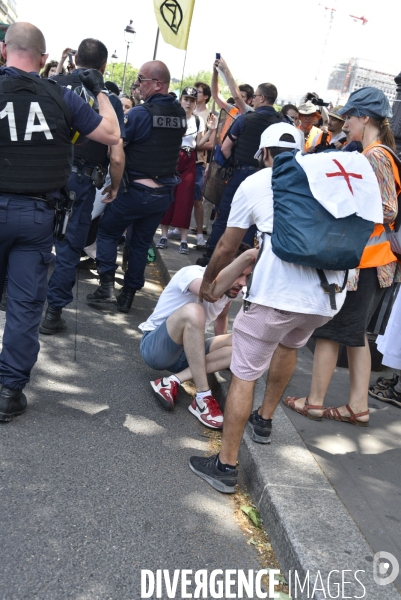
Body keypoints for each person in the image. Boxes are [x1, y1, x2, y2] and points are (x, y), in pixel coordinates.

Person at [188, 123, 349, 493]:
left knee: (245, 373)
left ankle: (226, 466)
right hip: (327, 295)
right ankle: (265, 420)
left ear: (264, 154)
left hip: (278, 294)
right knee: (290, 345)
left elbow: (228, 246)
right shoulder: (323, 177)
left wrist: (211, 282)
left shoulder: (259, 181)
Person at [0, 22, 120, 422]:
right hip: (36, 216)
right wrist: (100, 89)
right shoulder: (62, 96)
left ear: (4, 51)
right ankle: (8, 391)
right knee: (23, 306)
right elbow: (111, 134)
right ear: (45, 58)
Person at [285, 87, 399, 427]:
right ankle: (357, 406)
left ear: (365, 118)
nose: (344, 123)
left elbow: (389, 209)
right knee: (355, 335)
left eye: (349, 117)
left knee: (330, 331)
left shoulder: (375, 156)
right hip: (375, 262)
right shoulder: (380, 153)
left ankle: (315, 402)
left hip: (367, 261)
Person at [39, 38, 126, 335]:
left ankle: (9, 294)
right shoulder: (108, 100)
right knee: (68, 246)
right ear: (104, 67)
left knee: (31, 237)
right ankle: (52, 314)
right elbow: (116, 155)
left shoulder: (51, 85)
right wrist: (114, 187)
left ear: (75, 61)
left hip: (44, 172)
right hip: (82, 180)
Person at [86, 61, 187, 314]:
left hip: (134, 192)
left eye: (142, 79)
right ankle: (128, 294)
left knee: (108, 234)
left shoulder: (141, 114)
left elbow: (117, 151)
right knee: (141, 243)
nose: (137, 84)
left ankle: (106, 286)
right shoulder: (179, 115)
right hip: (162, 195)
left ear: (158, 84)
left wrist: (115, 187)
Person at [140, 244, 255, 428]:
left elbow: (222, 319)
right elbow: (209, 294)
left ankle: (172, 381)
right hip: (156, 349)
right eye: (239, 274)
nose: (243, 283)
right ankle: (203, 397)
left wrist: (226, 355)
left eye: (247, 276)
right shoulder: (193, 273)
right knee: (195, 311)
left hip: (189, 353)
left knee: (247, 342)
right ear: (221, 269)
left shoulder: (228, 294)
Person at [198, 82, 282, 266]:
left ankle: (211, 257)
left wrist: (231, 164)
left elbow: (226, 147)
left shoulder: (245, 119)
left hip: (241, 174)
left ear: (261, 98)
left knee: (227, 215)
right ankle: (245, 261)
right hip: (270, 178)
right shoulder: (282, 123)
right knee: (256, 220)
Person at [157, 87, 217, 254]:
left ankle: (184, 239)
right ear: (180, 100)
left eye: (192, 100)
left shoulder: (198, 121)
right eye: (186, 99)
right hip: (173, 157)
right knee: (169, 195)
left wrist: (211, 130)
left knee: (185, 198)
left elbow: (198, 144)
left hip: (189, 158)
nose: (189, 103)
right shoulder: (172, 116)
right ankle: (163, 235)